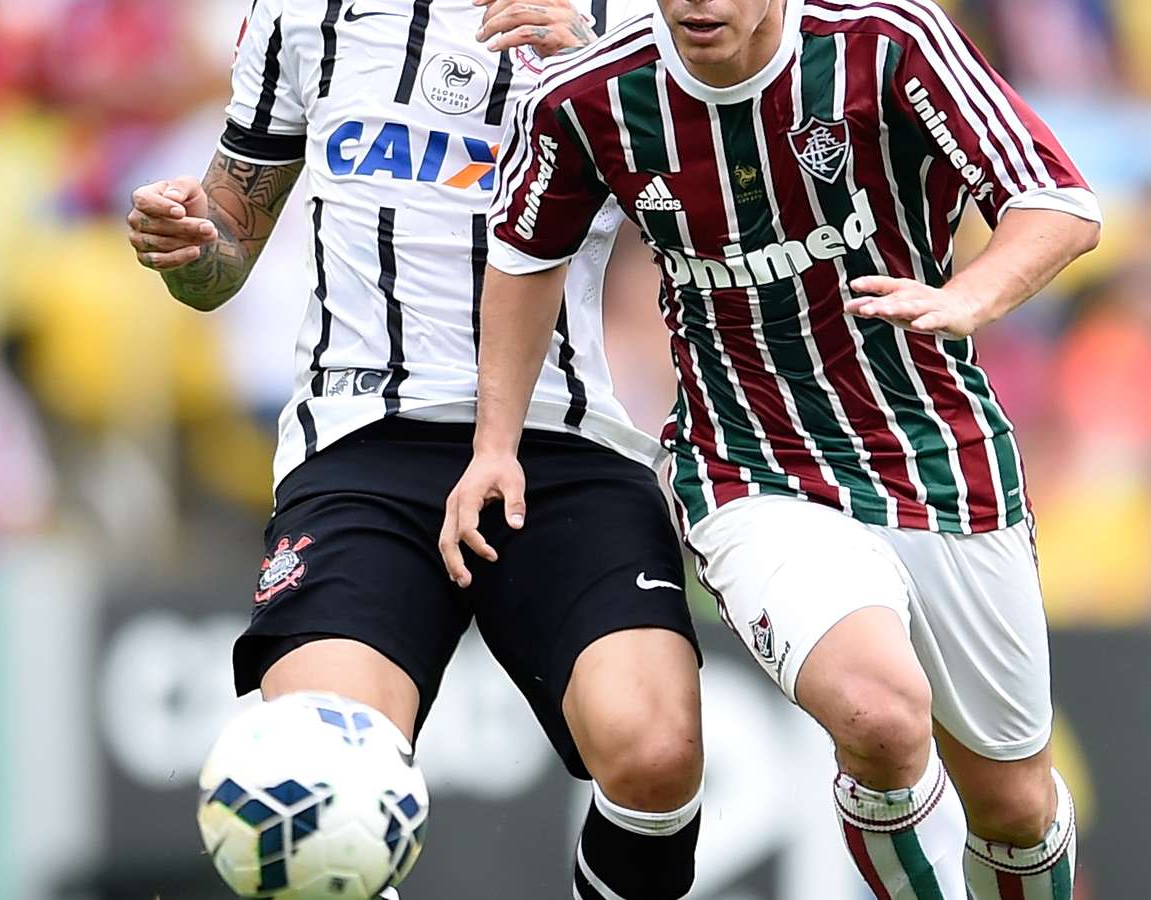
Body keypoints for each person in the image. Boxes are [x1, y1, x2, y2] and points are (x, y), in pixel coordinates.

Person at [440, 0, 1102, 898]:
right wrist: (495, 445)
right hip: (750, 467)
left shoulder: (886, 43)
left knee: (1015, 808)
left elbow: (1058, 202)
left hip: (937, 454)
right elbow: (524, 255)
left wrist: (970, 295)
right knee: (878, 714)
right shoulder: (588, 94)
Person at [124, 1, 705, 898]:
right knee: (314, 784)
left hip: (565, 440)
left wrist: (609, 79)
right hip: (362, 446)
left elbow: (723, 220)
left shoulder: (631, 19)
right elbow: (226, 248)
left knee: (658, 755)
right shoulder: (305, 13)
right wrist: (191, 245)